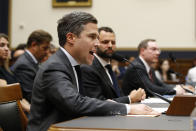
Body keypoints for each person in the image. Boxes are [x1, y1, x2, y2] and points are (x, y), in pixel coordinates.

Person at [27, 12, 159, 131]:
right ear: (71, 38)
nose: (97, 43)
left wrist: (110, 104)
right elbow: (75, 103)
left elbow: (83, 100)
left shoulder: (73, 64)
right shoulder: (54, 66)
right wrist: (128, 108)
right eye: (92, 37)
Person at [81, 27, 145, 103]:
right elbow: (97, 102)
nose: (110, 45)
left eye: (113, 42)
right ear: (96, 44)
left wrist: (133, 96)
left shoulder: (108, 66)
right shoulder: (88, 68)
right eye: (105, 42)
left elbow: (116, 96)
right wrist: (129, 99)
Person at [11, 29, 52, 103]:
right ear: (34, 45)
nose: (47, 52)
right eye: (45, 48)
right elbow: (31, 96)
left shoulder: (31, 62)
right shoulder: (24, 65)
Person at [0, 33, 30, 112]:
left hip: (19, 110)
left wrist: (31, 108)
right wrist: (31, 110)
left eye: (7, 46)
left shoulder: (8, 71)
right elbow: (9, 97)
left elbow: (20, 97)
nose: (6, 49)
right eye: (2, 45)